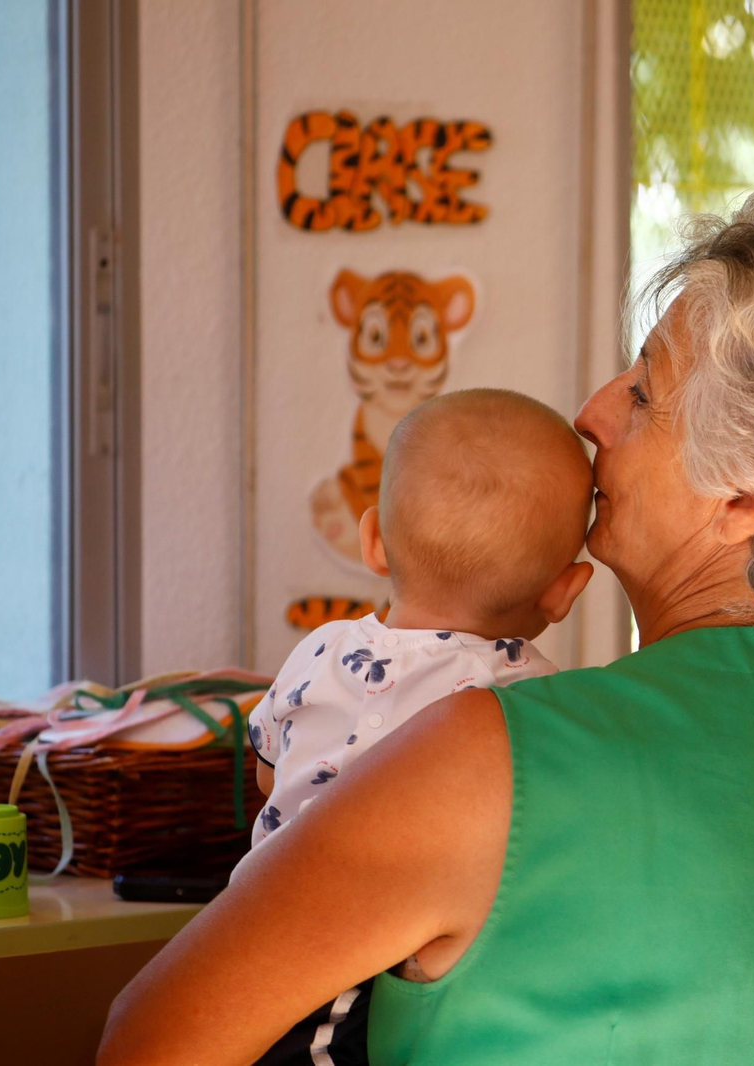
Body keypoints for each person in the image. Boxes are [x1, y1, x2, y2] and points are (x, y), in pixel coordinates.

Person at [100, 187, 754, 1066]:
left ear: (746, 498)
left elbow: (148, 1046)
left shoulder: (488, 753)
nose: (592, 412)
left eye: (642, 394)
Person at [246, 388, 594, 1065]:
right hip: (365, 955)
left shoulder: (320, 649)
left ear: (373, 541)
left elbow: (268, 770)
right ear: (566, 589)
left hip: (258, 923)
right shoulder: (529, 691)